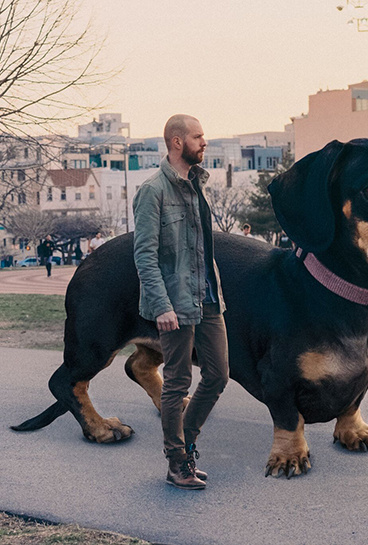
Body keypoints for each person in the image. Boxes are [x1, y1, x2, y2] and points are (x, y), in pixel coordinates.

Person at [133, 114, 229, 491]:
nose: (205, 142)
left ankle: (185, 442)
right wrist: (161, 306)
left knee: (219, 374)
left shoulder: (197, 185)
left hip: (208, 298)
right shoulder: (153, 191)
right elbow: (145, 256)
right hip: (173, 302)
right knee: (176, 383)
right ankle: (177, 463)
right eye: (198, 136)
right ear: (176, 142)